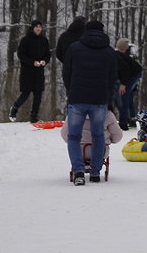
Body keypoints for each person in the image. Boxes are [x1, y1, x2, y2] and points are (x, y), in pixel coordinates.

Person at [62, 19, 118, 185]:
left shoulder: (74, 48)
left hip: (77, 98)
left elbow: (66, 73)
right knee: (98, 135)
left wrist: (71, 90)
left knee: (74, 137)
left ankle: (78, 171)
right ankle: (95, 172)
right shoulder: (109, 52)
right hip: (99, 100)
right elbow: (112, 78)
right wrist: (108, 98)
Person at [9, 19, 51, 123]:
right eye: (36, 26)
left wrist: (44, 61)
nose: (38, 28)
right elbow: (21, 54)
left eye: (40, 26)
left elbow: (48, 55)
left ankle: (34, 116)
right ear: (32, 28)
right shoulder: (25, 40)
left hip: (39, 72)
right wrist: (32, 62)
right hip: (27, 72)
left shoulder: (44, 40)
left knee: (38, 94)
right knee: (25, 94)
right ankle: (14, 108)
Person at [61, 107, 122, 176]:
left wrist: (72, 142)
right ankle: (95, 171)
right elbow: (118, 136)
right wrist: (109, 140)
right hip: (101, 151)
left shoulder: (73, 113)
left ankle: (78, 168)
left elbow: (64, 134)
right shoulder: (107, 115)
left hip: (79, 151)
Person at [114, 38, 142, 130]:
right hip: (131, 74)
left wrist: (123, 84)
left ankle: (123, 122)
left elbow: (125, 70)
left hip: (134, 74)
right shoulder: (118, 55)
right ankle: (130, 119)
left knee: (123, 95)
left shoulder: (118, 57)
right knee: (124, 96)